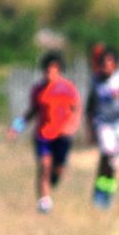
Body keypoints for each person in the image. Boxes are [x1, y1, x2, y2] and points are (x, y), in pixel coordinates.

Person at [19, 51, 80, 213]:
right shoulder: (38, 90)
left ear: (59, 70)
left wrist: (72, 126)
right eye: (47, 70)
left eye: (53, 70)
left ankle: (54, 178)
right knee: (44, 166)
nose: (49, 73)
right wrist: (17, 126)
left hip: (62, 136)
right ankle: (44, 202)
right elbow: (31, 111)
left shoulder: (68, 88)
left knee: (58, 169)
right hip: (43, 135)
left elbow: (76, 110)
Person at [86, 45, 119, 209]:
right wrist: (90, 127)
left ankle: (106, 192)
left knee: (113, 162)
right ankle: (100, 194)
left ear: (115, 64)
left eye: (110, 63)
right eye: (103, 63)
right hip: (103, 123)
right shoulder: (96, 81)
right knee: (108, 154)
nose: (106, 66)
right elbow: (90, 106)